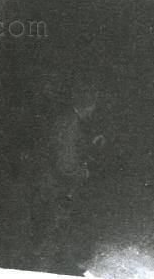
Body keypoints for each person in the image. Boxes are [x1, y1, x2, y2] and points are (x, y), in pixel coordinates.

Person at [32, 80, 105, 275]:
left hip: (52, 184)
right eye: (93, 108)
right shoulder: (70, 124)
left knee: (58, 227)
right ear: (88, 106)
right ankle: (43, 271)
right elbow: (65, 164)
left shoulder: (67, 119)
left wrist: (90, 144)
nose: (92, 112)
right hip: (55, 186)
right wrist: (82, 172)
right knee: (52, 229)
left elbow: (68, 147)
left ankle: (63, 266)